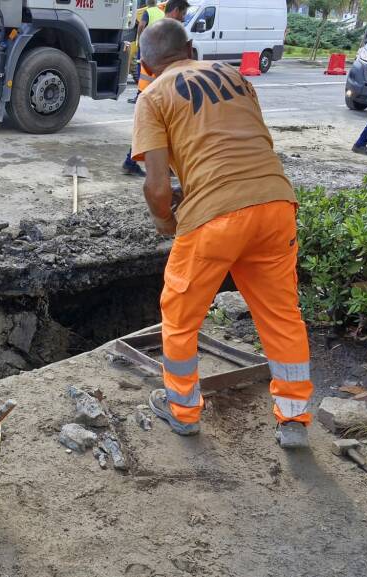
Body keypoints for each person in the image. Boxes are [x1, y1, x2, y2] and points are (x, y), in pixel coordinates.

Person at [131, 19, 314, 449]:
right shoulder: (233, 75)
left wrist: (165, 222)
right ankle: (294, 419)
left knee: (179, 317)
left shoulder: (153, 96)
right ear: (191, 48)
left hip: (214, 216)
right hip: (275, 204)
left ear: (145, 63)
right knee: (282, 315)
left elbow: (156, 187)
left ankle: (183, 411)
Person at [123, 0, 189, 177]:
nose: (183, 19)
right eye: (183, 14)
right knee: (154, 130)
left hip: (148, 89)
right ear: (176, 11)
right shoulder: (168, 34)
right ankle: (133, 162)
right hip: (156, 91)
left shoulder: (158, 29)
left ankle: (139, 163)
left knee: (155, 129)